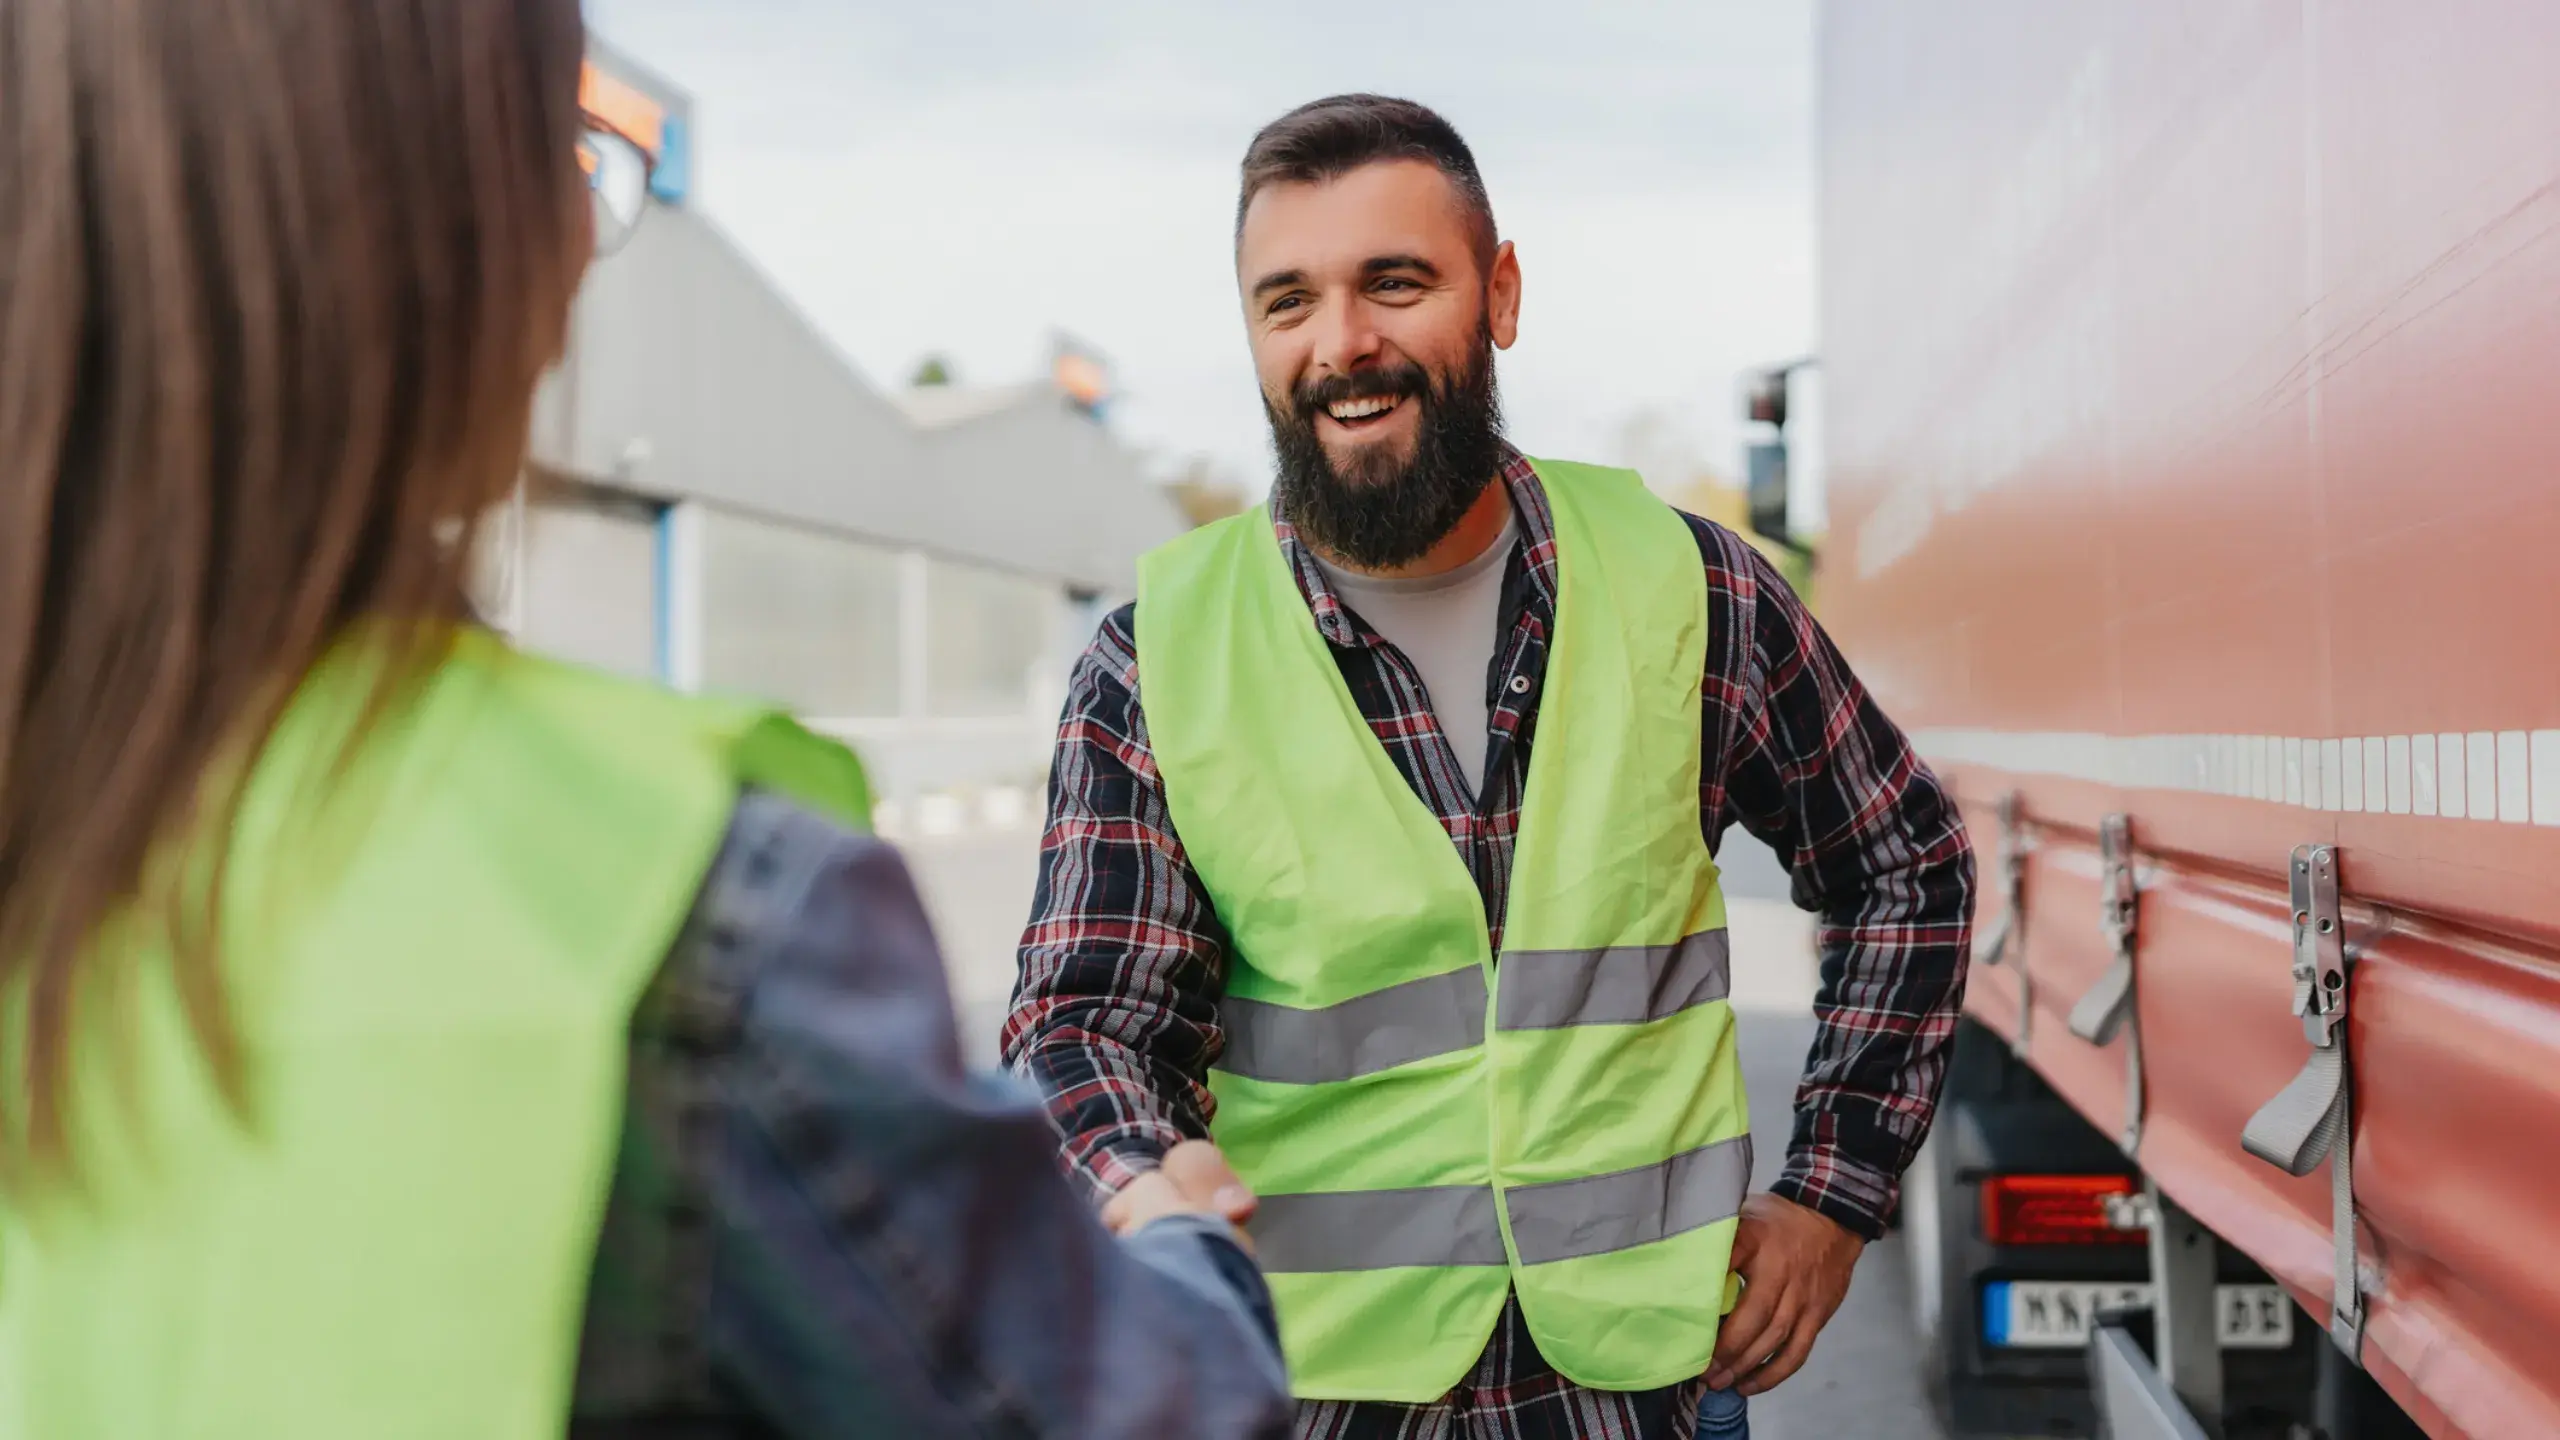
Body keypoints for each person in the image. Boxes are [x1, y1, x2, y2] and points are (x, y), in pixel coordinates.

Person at [0, 4, 1291, 1438]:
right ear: (437, 237)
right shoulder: (668, 902)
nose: (574, 244)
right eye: (556, 156)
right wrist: (1186, 1249)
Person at [1003, 94, 1976, 1439]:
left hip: (1638, 1390)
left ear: (1500, 291)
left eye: (1393, 284)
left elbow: (1906, 867)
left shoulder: (1689, 590)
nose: (1341, 344)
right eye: (1287, 302)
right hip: (1311, 1390)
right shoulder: (1156, 659)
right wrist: (1145, 1183)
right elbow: (1084, 1021)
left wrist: (1833, 1197)